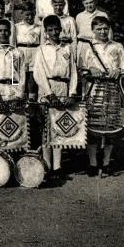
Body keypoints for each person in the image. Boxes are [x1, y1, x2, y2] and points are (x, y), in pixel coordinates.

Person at [33, 15, 78, 182]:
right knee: (46, 130)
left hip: (63, 88)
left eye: (56, 29)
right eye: (50, 30)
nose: (53, 32)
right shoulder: (42, 49)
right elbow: (39, 73)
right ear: (46, 32)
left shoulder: (67, 48)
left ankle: (57, 167)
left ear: (61, 29)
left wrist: (72, 93)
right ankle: (46, 165)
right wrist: (48, 94)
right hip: (48, 89)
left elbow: (73, 72)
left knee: (59, 129)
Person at [83, 16, 124, 178]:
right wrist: (92, 68)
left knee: (110, 127)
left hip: (112, 90)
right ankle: (93, 163)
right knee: (93, 127)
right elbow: (82, 67)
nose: (102, 32)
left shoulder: (117, 46)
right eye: (99, 29)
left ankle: (107, 163)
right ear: (93, 30)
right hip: (94, 91)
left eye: (105, 28)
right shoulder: (88, 47)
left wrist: (119, 70)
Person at [0, 19, 25, 104]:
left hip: (14, 91)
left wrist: (18, 95)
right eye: (0, 31)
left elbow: (22, 75)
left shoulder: (18, 52)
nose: (3, 33)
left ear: (10, 33)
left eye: (6, 30)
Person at [75, 0, 111, 69]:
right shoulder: (79, 16)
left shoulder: (102, 14)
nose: (89, 5)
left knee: (98, 66)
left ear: (95, 2)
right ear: (83, 4)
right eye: (86, 3)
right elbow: (77, 33)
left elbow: (109, 33)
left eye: (91, 2)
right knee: (83, 68)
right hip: (83, 45)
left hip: (97, 45)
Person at [14, 3, 41, 101]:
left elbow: (41, 44)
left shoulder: (39, 27)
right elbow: (13, 43)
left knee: (32, 79)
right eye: (27, 15)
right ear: (22, 14)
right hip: (21, 51)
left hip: (35, 52)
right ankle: (21, 100)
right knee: (22, 78)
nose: (29, 17)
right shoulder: (16, 26)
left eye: (31, 14)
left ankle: (32, 102)